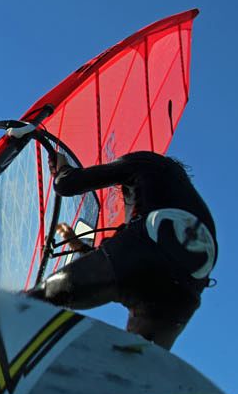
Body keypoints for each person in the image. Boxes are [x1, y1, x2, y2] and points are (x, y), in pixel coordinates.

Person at [27, 150, 217, 350]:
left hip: (143, 254)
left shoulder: (144, 161)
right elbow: (129, 264)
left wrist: (62, 168)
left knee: (40, 300)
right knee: (136, 355)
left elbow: (67, 184)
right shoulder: (188, 204)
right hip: (185, 293)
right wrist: (78, 245)